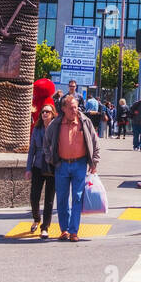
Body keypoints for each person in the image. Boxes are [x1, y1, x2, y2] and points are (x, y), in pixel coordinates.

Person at [43, 93, 99, 242]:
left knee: (77, 198)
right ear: (63, 109)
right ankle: (64, 230)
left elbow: (95, 142)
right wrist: (51, 160)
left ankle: (74, 231)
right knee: (61, 199)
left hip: (79, 164)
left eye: (76, 107)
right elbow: (46, 143)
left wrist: (94, 162)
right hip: (61, 165)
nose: (75, 110)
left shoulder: (85, 122)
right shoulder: (55, 124)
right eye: (71, 108)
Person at [25, 100, 58, 238]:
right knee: (34, 197)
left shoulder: (57, 128)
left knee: (49, 199)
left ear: (52, 114)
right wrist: (28, 168)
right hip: (38, 165)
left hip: (52, 166)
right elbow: (31, 150)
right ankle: (36, 219)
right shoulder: (37, 129)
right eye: (43, 112)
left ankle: (45, 227)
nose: (44, 113)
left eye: (47, 112)